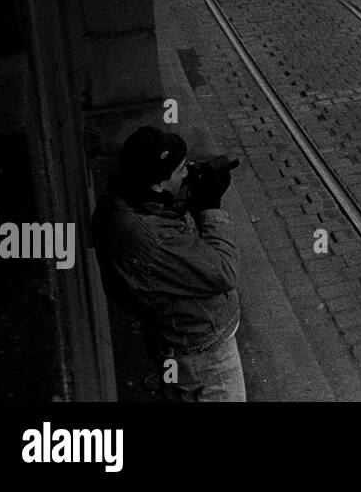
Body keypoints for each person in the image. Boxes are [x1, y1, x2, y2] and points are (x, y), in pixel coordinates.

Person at [91, 126, 245, 401]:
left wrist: (188, 197)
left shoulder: (124, 197)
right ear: (159, 183)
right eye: (181, 169)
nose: (187, 173)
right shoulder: (153, 238)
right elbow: (224, 272)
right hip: (202, 353)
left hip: (170, 336)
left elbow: (161, 215)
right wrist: (211, 206)